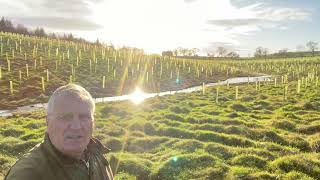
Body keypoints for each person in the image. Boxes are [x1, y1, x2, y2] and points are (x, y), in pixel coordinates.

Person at [5, 84, 114, 180]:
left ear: (93, 121)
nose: (76, 126)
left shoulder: (96, 153)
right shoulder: (27, 174)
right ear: (48, 122)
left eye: (84, 117)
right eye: (65, 117)